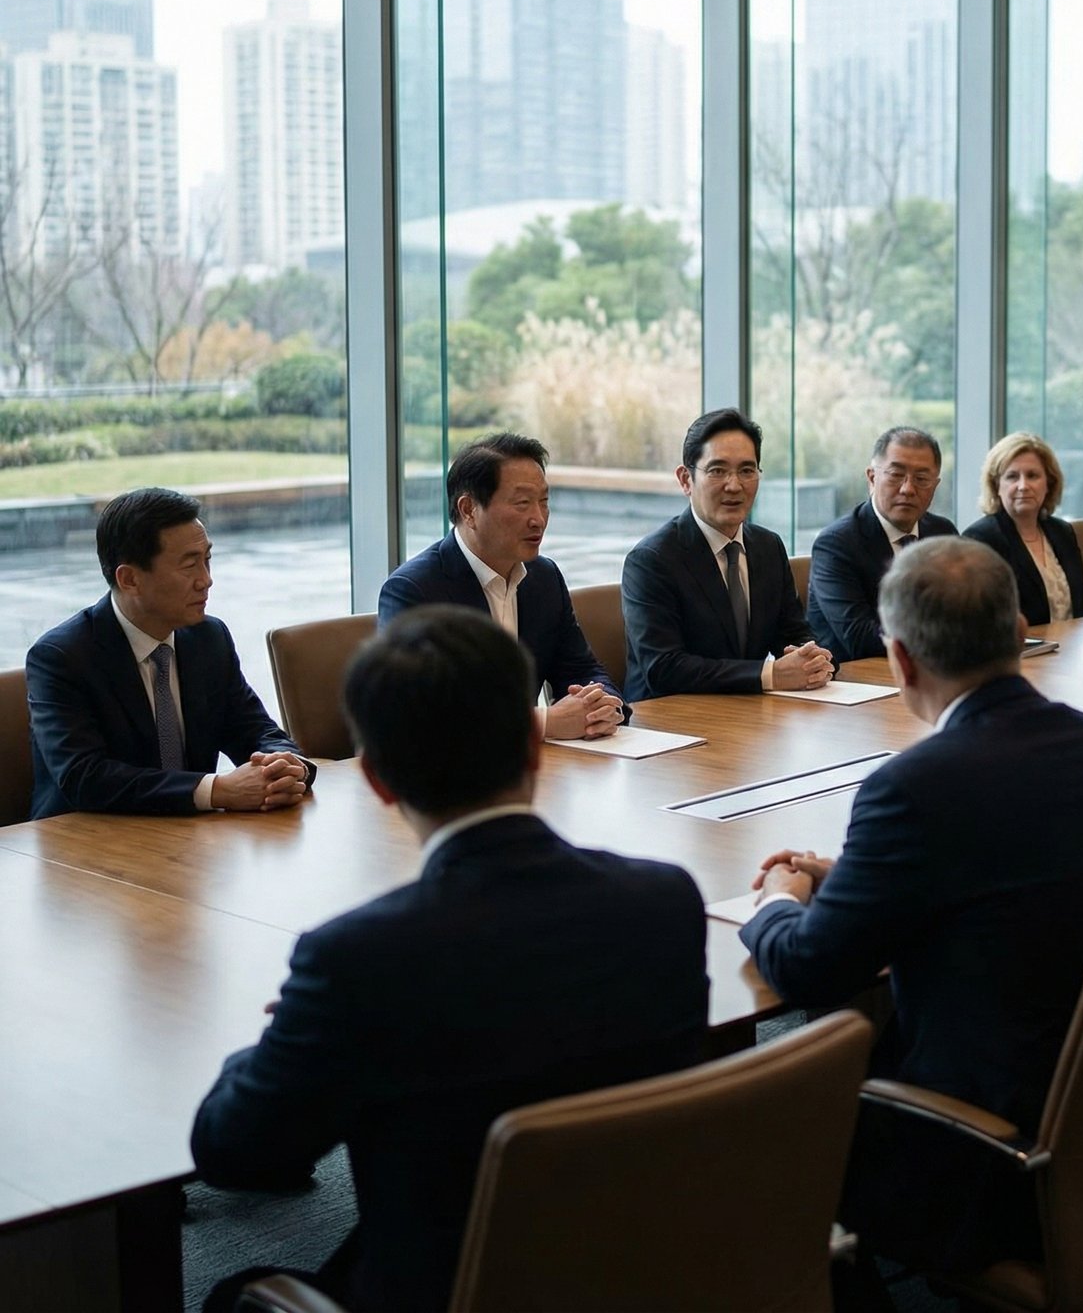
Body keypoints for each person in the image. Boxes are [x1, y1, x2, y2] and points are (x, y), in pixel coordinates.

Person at [189, 605, 708, 1313]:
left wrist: (278, 1042)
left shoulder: (359, 961)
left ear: (375, 781)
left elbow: (234, 1154)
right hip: (649, 1269)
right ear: (532, 747)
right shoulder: (666, 901)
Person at [743, 538, 1083, 1269]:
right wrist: (863, 870)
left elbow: (811, 970)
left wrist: (776, 901)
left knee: (762, 1130)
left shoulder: (913, 786)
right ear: (1016, 630)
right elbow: (1009, 856)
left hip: (984, 1143)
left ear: (901, 659)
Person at [27, 487, 313, 820]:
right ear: (130, 578)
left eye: (207, 560)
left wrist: (288, 766)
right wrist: (218, 789)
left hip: (188, 841)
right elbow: (86, 778)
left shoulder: (209, 637)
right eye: (189, 566)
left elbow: (254, 729)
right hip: (85, 847)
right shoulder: (62, 657)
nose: (206, 581)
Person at [379, 432, 626, 740]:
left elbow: (581, 668)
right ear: (469, 510)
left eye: (544, 502)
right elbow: (420, 711)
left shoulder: (543, 576)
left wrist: (603, 706)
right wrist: (543, 722)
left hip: (529, 768)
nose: (538, 519)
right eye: (522, 503)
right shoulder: (415, 589)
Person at [621, 407, 830, 700]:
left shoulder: (768, 546)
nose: (734, 485)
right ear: (685, 479)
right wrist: (769, 674)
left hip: (747, 715)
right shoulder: (652, 560)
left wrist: (812, 657)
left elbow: (794, 634)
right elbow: (664, 668)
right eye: (718, 470)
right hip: (670, 721)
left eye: (747, 470)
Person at [805, 425, 958, 661]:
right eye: (896, 475)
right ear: (872, 477)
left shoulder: (943, 534)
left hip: (932, 671)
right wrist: (951, 633)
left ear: (935, 485)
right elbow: (860, 638)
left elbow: (967, 610)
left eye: (921, 479)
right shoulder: (837, 544)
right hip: (858, 683)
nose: (908, 489)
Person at [961, 431, 1083, 623]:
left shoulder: (1062, 532)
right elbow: (982, 620)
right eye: (1012, 477)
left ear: (1049, 483)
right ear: (996, 485)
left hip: (1074, 645)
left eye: (1032, 476)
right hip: (1021, 651)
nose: (1023, 486)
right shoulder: (981, 538)